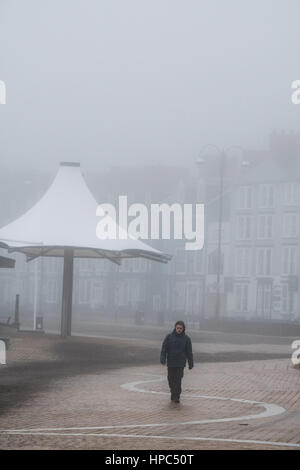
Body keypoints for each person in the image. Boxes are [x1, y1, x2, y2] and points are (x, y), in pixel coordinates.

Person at [160, 320, 194, 404]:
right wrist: (163, 359)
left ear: (183, 329)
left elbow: (189, 352)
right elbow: (164, 349)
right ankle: (173, 393)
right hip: (171, 362)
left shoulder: (186, 339)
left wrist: (190, 363)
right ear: (175, 328)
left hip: (180, 363)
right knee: (171, 380)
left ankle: (176, 397)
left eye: (180, 328)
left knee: (178, 380)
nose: (179, 330)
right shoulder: (169, 337)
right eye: (177, 328)